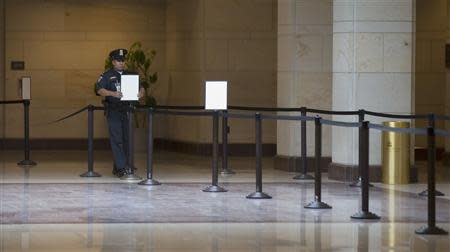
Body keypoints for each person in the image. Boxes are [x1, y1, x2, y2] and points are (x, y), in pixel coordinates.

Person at [95, 48, 144, 177]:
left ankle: (123, 165)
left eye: (123, 60)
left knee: (127, 138)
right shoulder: (107, 75)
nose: (121, 63)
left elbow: (142, 87)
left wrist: (140, 93)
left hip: (127, 111)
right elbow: (99, 90)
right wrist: (113, 94)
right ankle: (122, 167)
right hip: (114, 111)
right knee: (117, 139)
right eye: (118, 61)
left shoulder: (131, 75)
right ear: (113, 62)